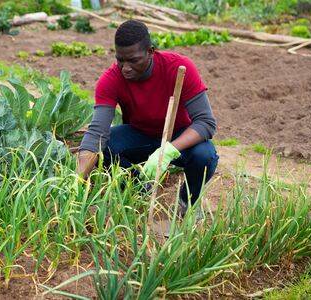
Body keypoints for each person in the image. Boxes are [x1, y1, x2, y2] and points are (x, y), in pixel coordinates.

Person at [76, 20, 218, 215]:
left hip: (178, 135)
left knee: (205, 155)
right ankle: (138, 187)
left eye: (133, 60)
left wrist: (168, 150)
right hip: (140, 134)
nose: (125, 67)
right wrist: (76, 181)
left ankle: (188, 201)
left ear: (150, 52)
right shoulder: (111, 80)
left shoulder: (179, 68)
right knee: (104, 147)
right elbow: (96, 134)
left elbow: (206, 123)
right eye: (120, 60)